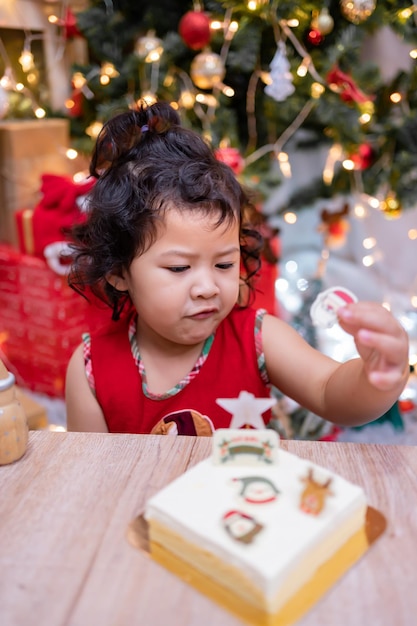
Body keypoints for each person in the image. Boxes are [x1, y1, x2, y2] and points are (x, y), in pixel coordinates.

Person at [65, 100, 410, 435]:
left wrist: (375, 380)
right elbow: (93, 478)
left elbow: (329, 391)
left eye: (225, 263)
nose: (208, 287)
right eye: (180, 267)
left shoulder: (259, 338)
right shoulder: (90, 368)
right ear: (118, 272)